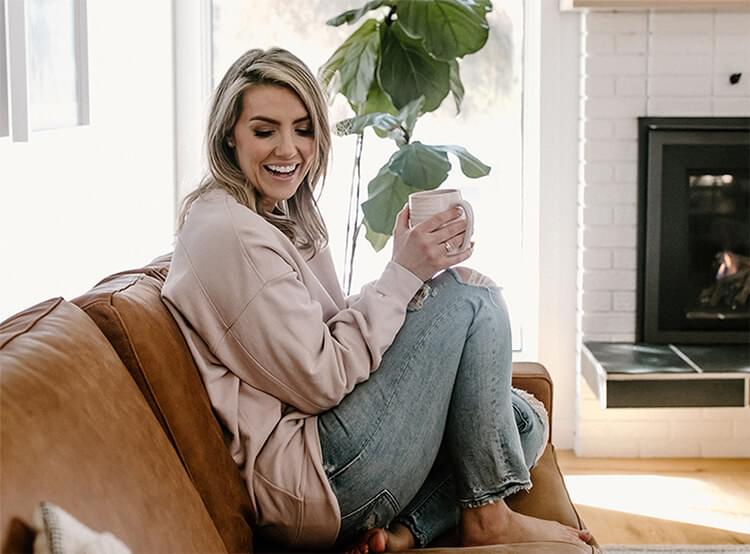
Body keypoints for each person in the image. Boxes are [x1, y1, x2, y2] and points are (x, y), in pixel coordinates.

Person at [162, 47, 591, 552]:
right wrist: (405, 274)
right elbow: (322, 380)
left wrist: (409, 279)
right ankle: (488, 521)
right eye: (264, 130)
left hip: (329, 452)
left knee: (521, 420)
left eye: (303, 129)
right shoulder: (231, 234)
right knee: (473, 300)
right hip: (314, 478)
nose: (288, 149)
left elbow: (325, 335)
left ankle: (406, 533)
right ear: (229, 136)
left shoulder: (272, 214)